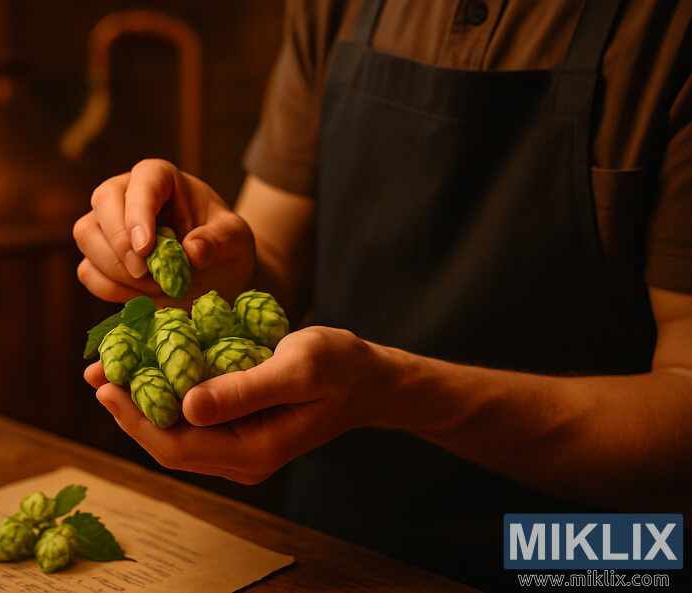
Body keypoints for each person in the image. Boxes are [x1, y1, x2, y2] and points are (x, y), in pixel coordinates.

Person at [74, 0, 692, 588]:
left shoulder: (669, 30)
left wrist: (396, 391)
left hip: (587, 554)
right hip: (334, 546)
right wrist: (218, 271)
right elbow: (277, 263)